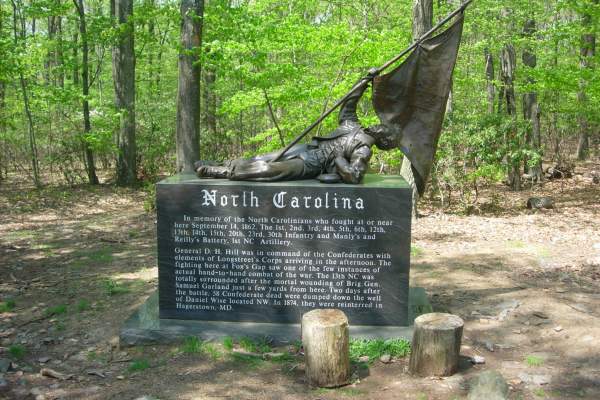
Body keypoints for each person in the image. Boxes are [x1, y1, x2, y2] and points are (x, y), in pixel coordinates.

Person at [195, 76, 399, 184]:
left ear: (384, 141)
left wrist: (338, 159)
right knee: (261, 158)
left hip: (312, 164)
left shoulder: (363, 150)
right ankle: (224, 163)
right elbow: (348, 104)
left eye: (384, 129)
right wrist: (364, 82)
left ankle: (221, 172)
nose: (380, 125)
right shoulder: (353, 126)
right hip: (307, 149)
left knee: (269, 171)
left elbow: (354, 176)